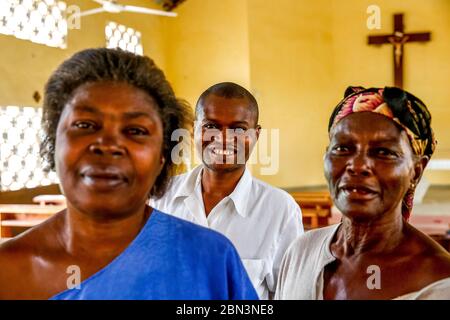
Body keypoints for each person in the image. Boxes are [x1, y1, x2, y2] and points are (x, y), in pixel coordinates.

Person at [0, 48, 258, 300]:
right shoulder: (8, 271)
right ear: (53, 141)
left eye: (136, 130)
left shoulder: (212, 260)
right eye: (85, 124)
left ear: (163, 154)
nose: (108, 144)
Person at [275, 86, 450, 300]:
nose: (358, 166)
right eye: (342, 149)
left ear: (415, 171)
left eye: (383, 152)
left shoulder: (440, 281)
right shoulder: (302, 252)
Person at [151, 82, 304, 299]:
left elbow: (290, 294)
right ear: (195, 129)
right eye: (211, 126)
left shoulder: (280, 209)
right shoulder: (161, 196)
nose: (223, 138)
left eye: (239, 129)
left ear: (256, 135)